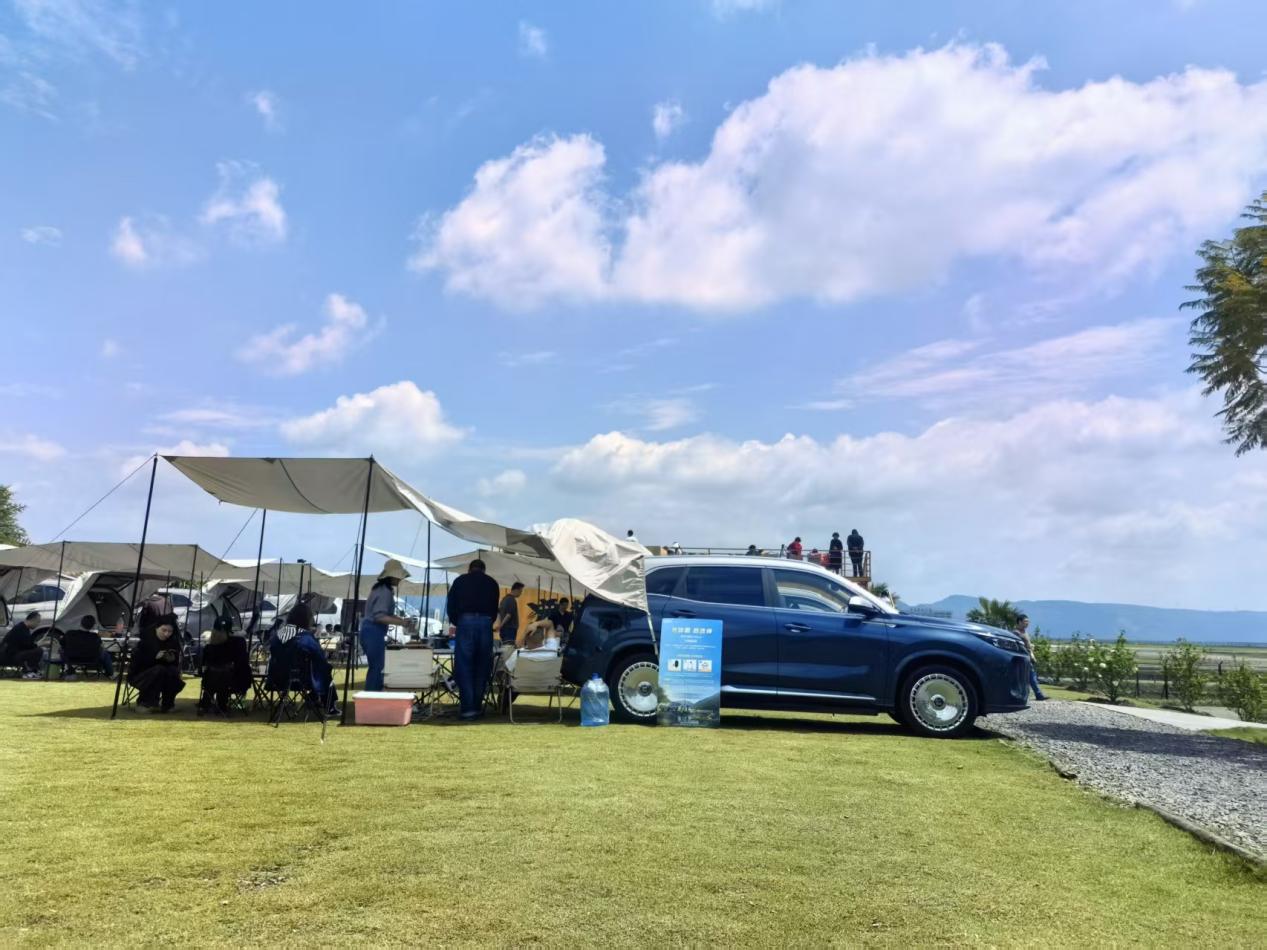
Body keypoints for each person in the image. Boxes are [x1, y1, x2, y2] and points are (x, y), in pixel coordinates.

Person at [446, 558, 500, 721]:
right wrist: (488, 621)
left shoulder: (459, 581)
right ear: (484, 570)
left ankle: (467, 709)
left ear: (469, 569)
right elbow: (494, 607)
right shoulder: (492, 583)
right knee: (482, 666)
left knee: (464, 666)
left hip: (465, 621)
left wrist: (458, 621)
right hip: (485, 623)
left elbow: (451, 605)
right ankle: (477, 707)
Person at [359, 560, 416, 692]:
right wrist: (402, 622)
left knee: (376, 667)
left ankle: (371, 696)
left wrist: (401, 619)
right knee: (377, 668)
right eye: (399, 576)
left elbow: (384, 614)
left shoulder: (380, 589)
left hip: (370, 631)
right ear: (393, 576)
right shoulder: (385, 592)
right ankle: (372, 698)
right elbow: (379, 617)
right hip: (373, 632)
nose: (400, 579)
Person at [277, 603, 339, 715]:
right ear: (306, 619)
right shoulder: (304, 637)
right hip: (301, 679)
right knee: (325, 670)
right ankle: (327, 704)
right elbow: (319, 656)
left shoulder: (278, 634)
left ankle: (314, 697)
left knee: (323, 670)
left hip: (276, 678)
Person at [128, 613, 185, 712]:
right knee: (159, 670)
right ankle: (145, 703)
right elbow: (137, 665)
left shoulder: (172, 642)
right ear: (156, 628)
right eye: (164, 630)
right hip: (140, 676)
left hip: (163, 675)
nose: (166, 634)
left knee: (172, 671)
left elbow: (174, 665)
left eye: (170, 631)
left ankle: (168, 704)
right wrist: (155, 657)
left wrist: (171, 659)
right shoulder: (145, 642)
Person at [199, 616, 251, 715]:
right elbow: (242, 663)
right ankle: (221, 705)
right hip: (230, 681)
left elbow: (202, 666)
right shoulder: (238, 643)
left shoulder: (208, 648)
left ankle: (206, 703)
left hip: (209, 681)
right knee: (226, 678)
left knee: (214, 678)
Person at [2, 611, 45, 679]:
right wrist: (40, 644)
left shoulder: (23, 628)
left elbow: (26, 644)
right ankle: (29, 672)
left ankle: (33, 670)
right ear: (33, 620)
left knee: (37, 650)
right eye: (38, 622)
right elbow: (28, 646)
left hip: (13, 654)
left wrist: (37, 644)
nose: (38, 624)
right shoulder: (21, 629)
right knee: (39, 651)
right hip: (9, 656)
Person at [1015, 614, 1047, 701]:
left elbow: (1028, 646)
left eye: (1028, 622)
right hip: (1022, 658)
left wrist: (1032, 654)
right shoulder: (1016, 633)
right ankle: (1037, 695)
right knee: (1029, 677)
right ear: (1019, 622)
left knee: (1031, 676)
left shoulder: (1025, 632)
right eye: (1025, 621)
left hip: (1028, 657)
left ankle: (1037, 695)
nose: (1027, 623)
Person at [492, 582, 524, 646]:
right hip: (510, 629)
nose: (521, 593)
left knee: (505, 645)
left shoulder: (504, 599)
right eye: (520, 591)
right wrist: (500, 626)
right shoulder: (511, 600)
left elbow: (499, 613)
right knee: (509, 647)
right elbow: (508, 615)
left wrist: (500, 625)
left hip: (504, 629)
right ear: (516, 590)